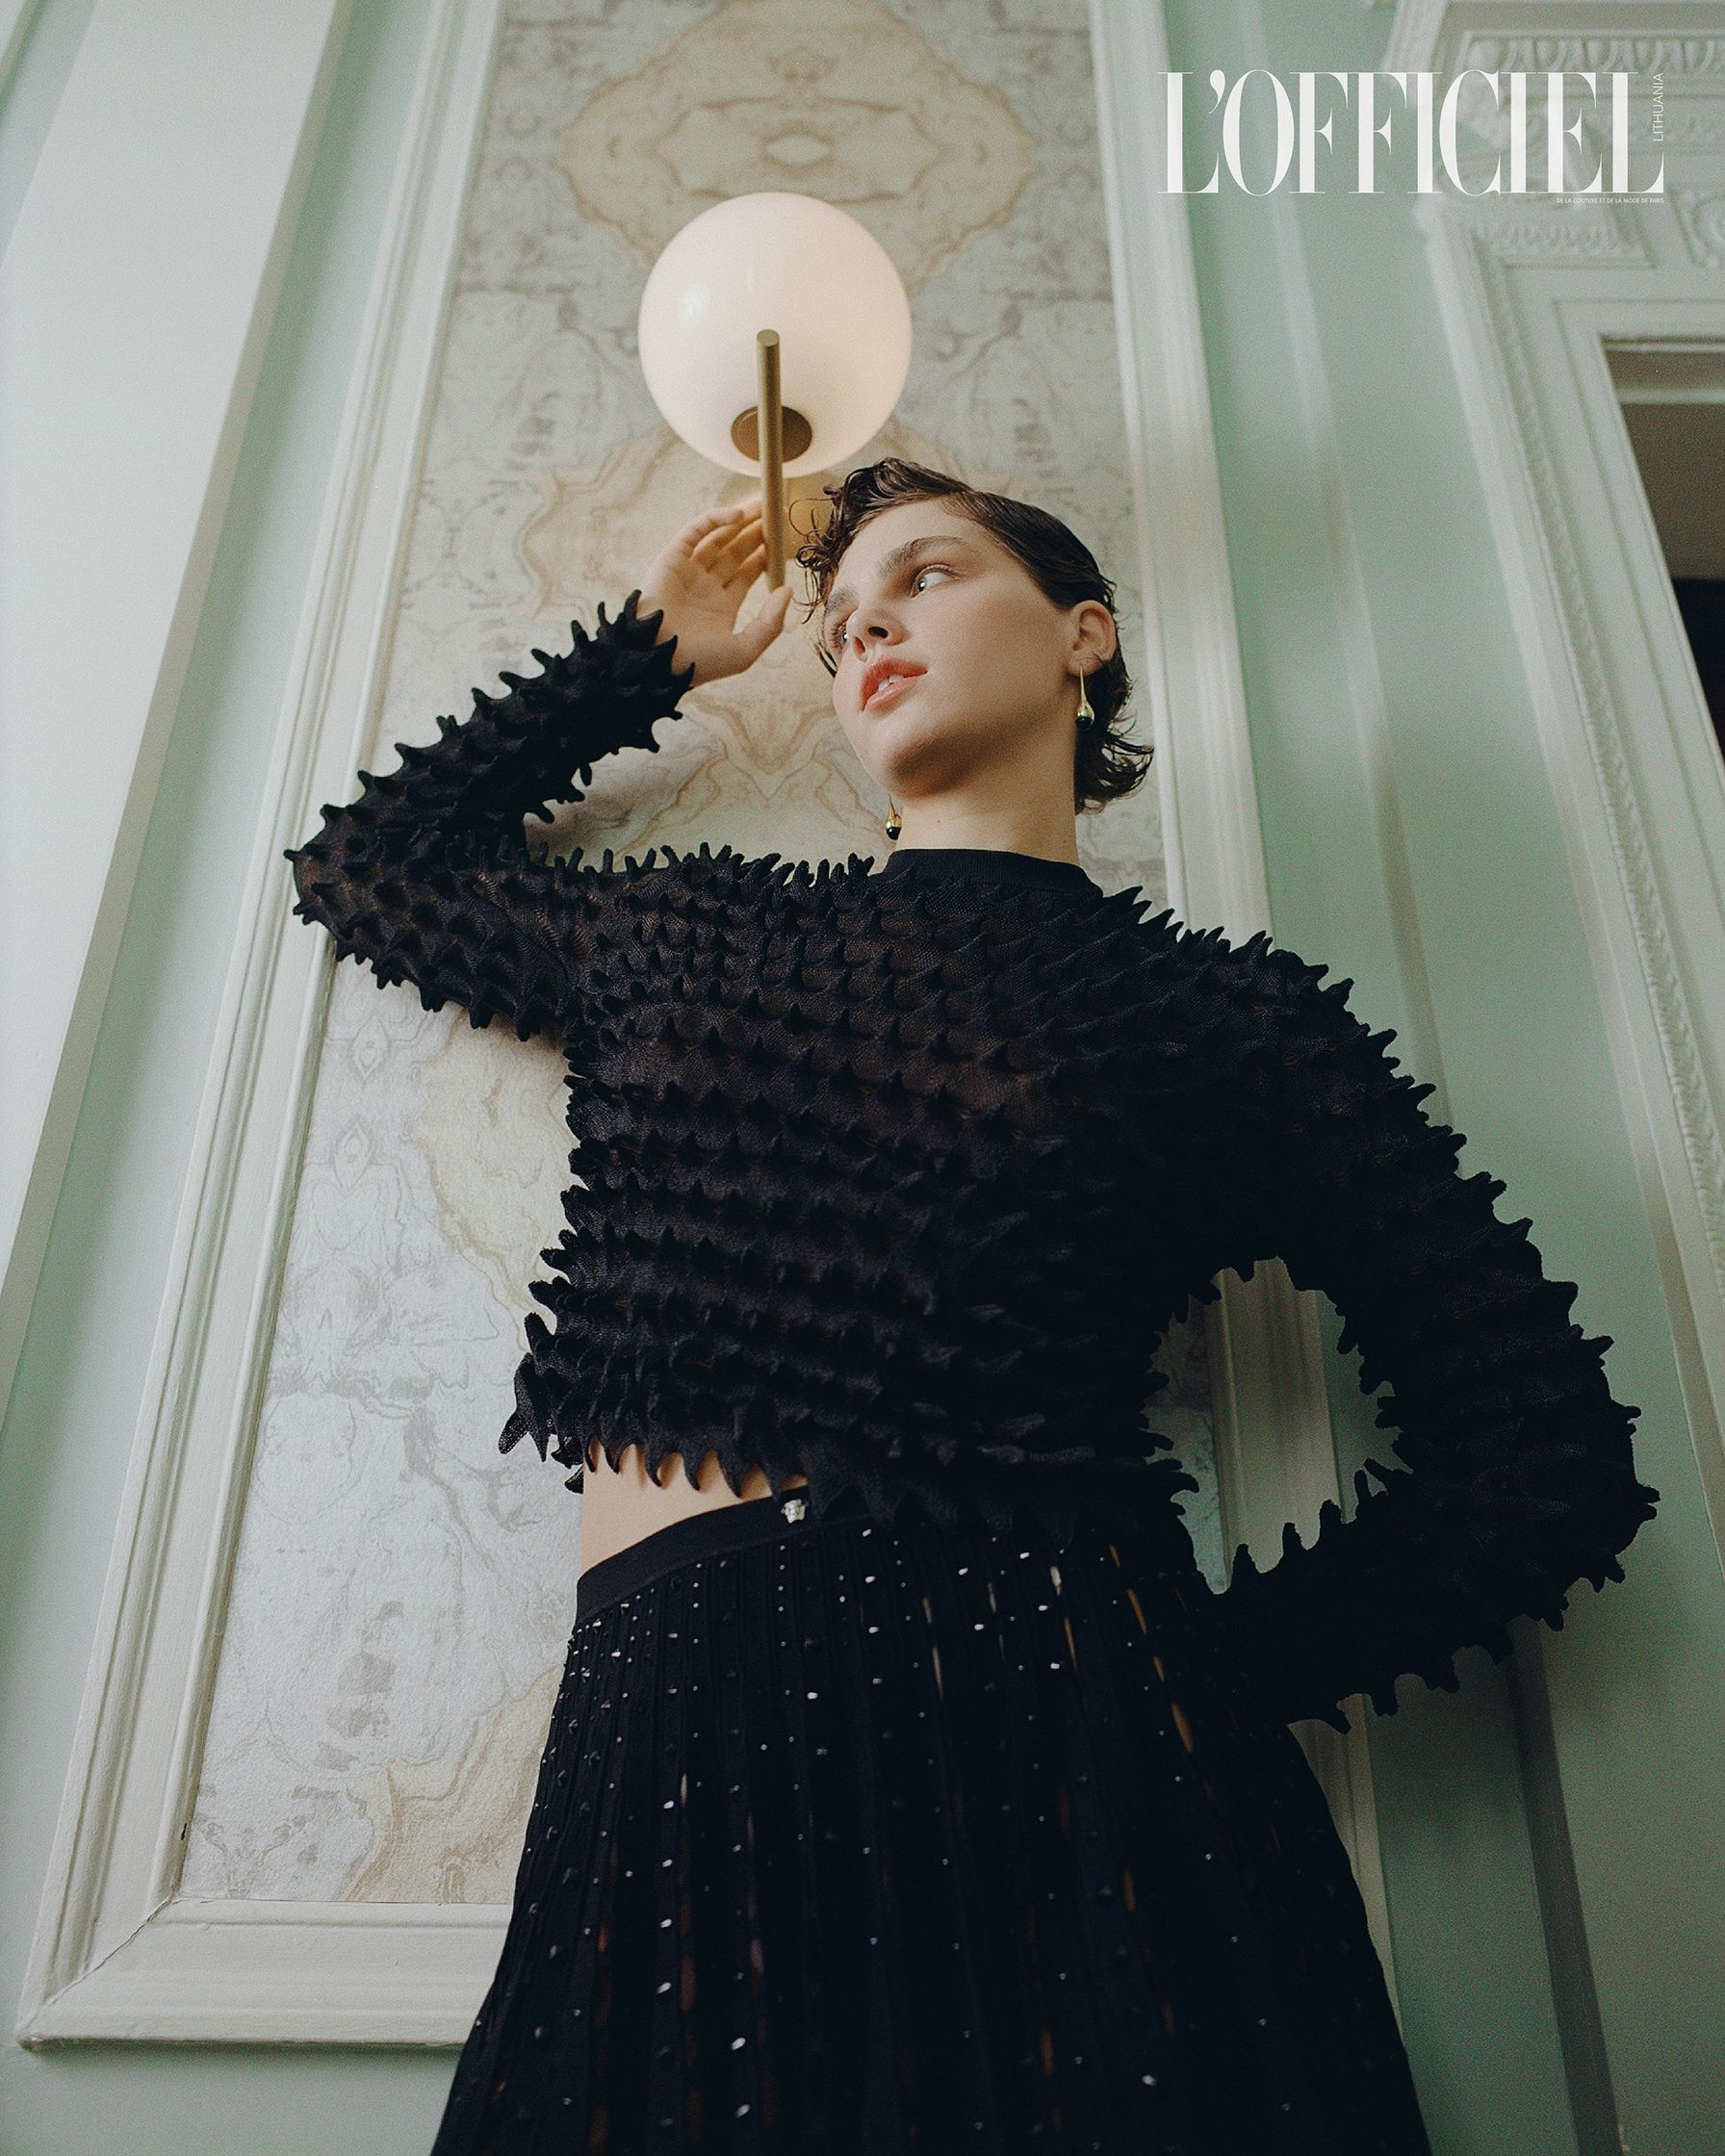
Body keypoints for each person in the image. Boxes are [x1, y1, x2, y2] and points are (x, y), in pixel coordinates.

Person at [284, 457, 1659, 2154]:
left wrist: (1189, 1679)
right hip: (668, 1736)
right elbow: (366, 862)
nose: (871, 627)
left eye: (928, 577)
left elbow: (1546, 1451)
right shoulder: (685, 936)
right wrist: (654, 648)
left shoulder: (1222, 1018)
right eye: (848, 616)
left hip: (1077, 1759)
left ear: (1084, 635)